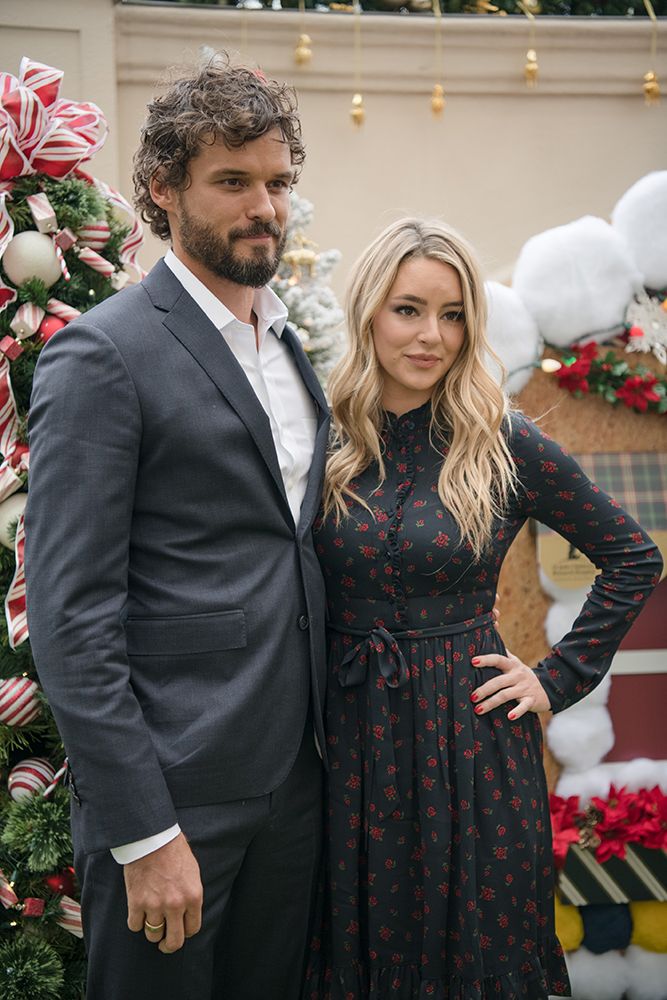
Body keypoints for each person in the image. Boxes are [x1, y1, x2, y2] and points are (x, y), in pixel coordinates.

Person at [25, 59, 330, 1000]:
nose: (263, 206)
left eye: (277, 181)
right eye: (232, 181)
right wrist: (144, 831)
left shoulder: (287, 347)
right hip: (172, 797)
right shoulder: (102, 352)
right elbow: (68, 615)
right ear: (163, 189)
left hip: (296, 783)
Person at [304, 218, 663, 999]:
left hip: (466, 741)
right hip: (344, 738)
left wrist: (555, 680)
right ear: (369, 310)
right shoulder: (319, 437)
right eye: (409, 309)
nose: (432, 334)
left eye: (454, 312)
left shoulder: (500, 440)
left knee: (472, 950)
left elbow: (633, 557)